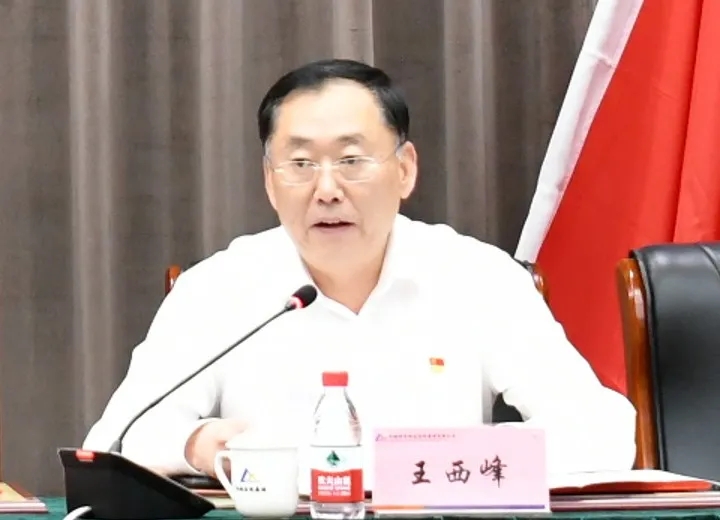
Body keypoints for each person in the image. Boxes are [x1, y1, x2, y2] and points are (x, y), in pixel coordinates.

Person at [83, 59, 636, 490]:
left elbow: (602, 434)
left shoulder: (476, 276)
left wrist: (426, 463)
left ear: (405, 170)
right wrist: (198, 445)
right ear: (270, 182)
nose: (327, 190)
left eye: (351, 161)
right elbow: (115, 441)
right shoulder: (220, 287)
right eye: (301, 164)